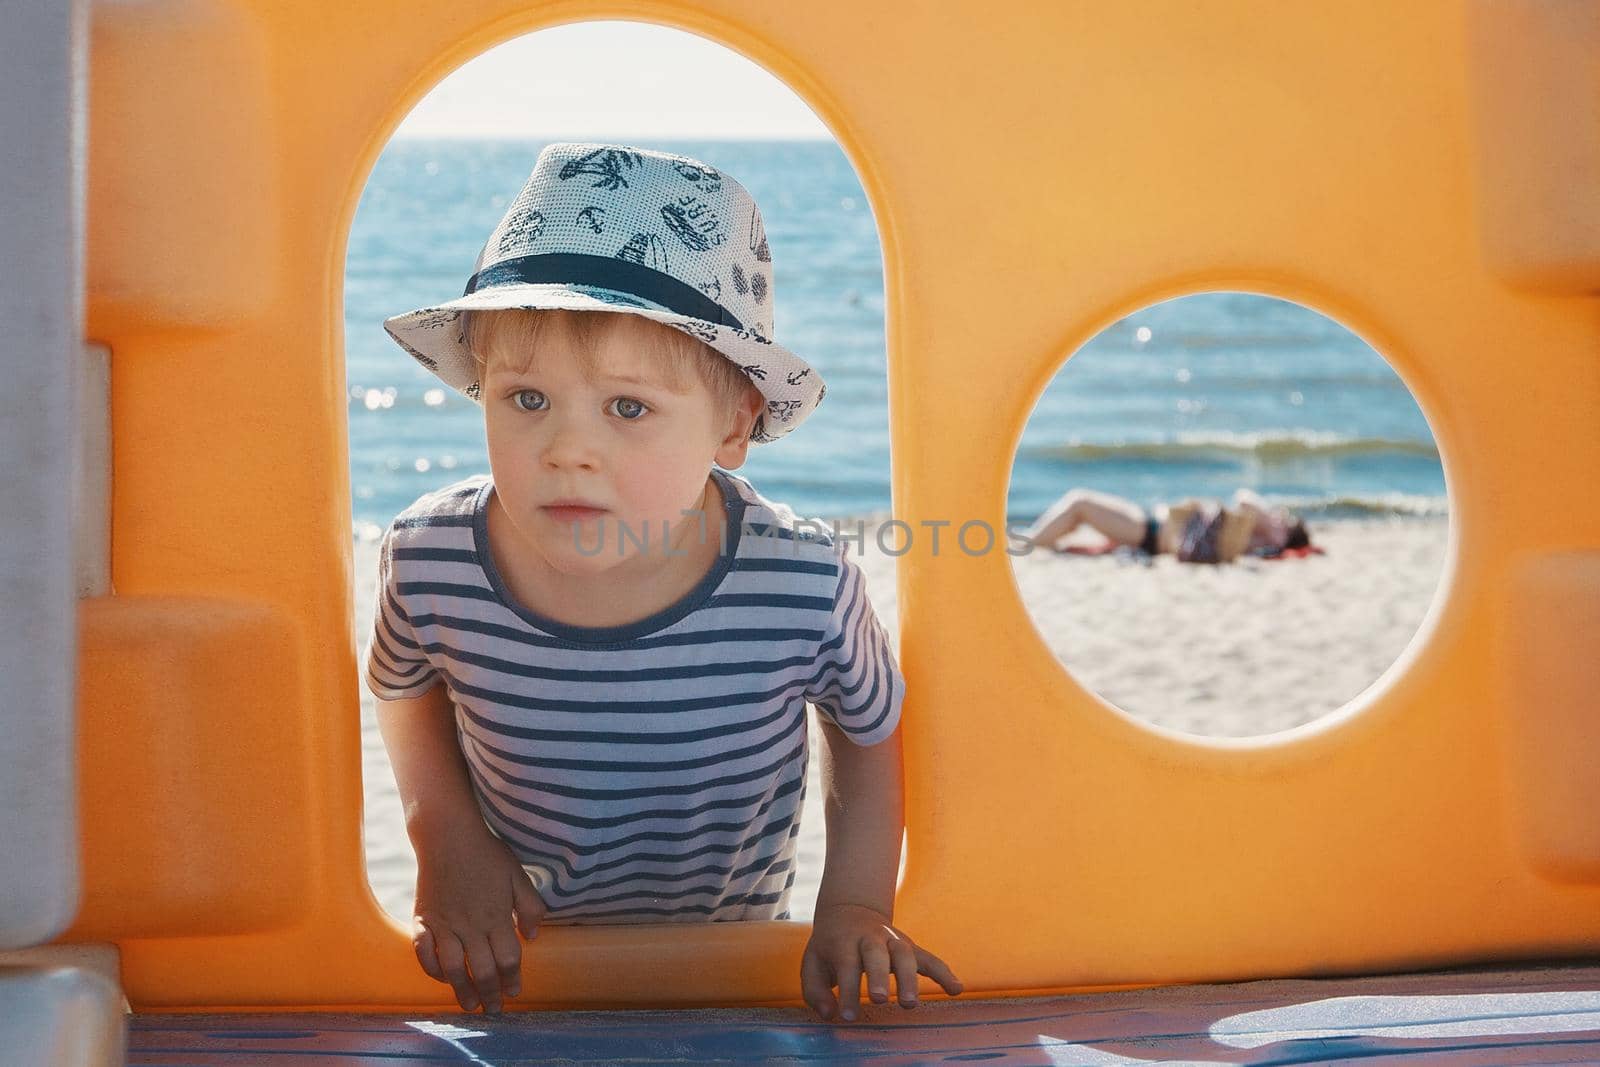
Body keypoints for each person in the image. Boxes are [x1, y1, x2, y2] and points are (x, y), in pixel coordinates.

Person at [364, 143, 961, 1022]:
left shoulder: (799, 579)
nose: (568, 448)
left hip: (728, 970)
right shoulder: (431, 558)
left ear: (733, 424)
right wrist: (444, 836)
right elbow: (404, 686)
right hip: (530, 970)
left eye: (628, 408)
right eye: (526, 399)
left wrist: (856, 905)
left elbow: (868, 731)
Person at [1010, 486, 1312, 563]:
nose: (1277, 515)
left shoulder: (1263, 540)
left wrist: (1276, 527)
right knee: (1082, 507)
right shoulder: (1253, 534)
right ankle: (1036, 539)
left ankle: (1032, 542)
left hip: (1148, 532)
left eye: (1284, 520)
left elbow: (1244, 497)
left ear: (1286, 533)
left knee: (1080, 503)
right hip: (1148, 522)